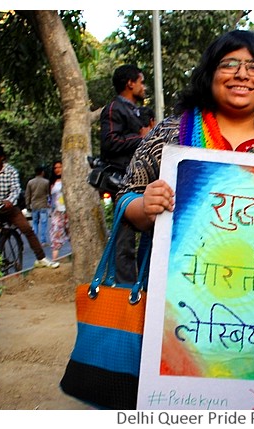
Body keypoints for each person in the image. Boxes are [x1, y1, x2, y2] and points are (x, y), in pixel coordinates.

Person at [118, 30, 254, 319]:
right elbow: (126, 196)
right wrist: (144, 205)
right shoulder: (170, 134)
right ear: (210, 74)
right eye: (229, 64)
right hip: (172, 310)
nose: (242, 74)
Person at [0, 143, 59, 269]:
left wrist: (9, 201)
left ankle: (41, 258)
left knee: (27, 230)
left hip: (8, 207)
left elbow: (15, 189)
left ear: (2, 158)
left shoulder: (10, 171)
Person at [100, 64, 151, 284]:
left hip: (141, 184)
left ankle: (142, 286)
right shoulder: (113, 109)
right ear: (130, 83)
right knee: (123, 242)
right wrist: (141, 137)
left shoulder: (134, 111)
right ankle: (124, 291)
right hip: (121, 183)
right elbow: (110, 142)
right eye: (141, 82)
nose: (144, 87)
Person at [49, 160, 69, 260]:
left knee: (73, 235)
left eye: (59, 167)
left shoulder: (69, 180)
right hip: (57, 213)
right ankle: (54, 260)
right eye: (55, 168)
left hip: (69, 211)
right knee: (56, 236)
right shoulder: (52, 182)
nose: (57, 170)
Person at [25, 165, 51, 245]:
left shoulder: (30, 182)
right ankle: (43, 241)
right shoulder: (46, 182)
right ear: (42, 172)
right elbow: (48, 194)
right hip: (43, 205)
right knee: (43, 223)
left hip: (34, 206)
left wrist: (28, 205)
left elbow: (27, 195)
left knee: (35, 223)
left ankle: (35, 241)